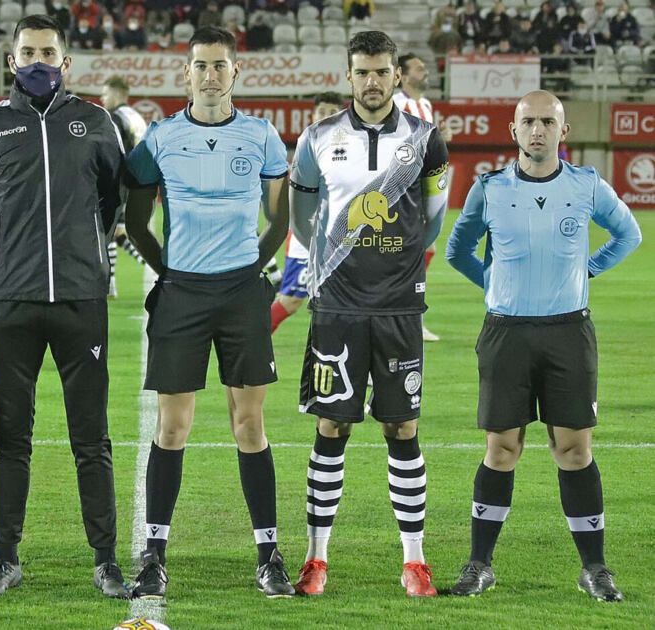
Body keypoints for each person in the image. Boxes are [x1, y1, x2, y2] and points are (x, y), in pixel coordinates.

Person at [445, 90, 641, 602]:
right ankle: (480, 565)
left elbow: (629, 234)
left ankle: (595, 568)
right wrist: (489, 283)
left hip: (567, 334)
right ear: (513, 132)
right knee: (502, 449)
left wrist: (590, 268)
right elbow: (456, 248)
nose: (537, 131)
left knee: (574, 451)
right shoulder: (488, 189)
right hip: (506, 332)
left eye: (546, 122)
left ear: (563, 131)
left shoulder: (586, 185)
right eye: (527, 122)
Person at [0, 14, 127, 599]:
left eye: (47, 52)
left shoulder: (95, 121)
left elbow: (111, 197)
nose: (37, 62)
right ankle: (5, 558)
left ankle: (105, 559)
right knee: (11, 434)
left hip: (81, 298)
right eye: (27, 51)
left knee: (91, 436)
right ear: (10, 60)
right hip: (11, 300)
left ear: (65, 61)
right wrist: (7, 259)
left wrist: (82, 253)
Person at [124, 26, 293, 600]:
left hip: (241, 292)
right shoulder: (161, 138)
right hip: (183, 295)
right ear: (187, 73)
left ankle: (269, 554)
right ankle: (154, 556)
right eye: (201, 65)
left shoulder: (263, 136)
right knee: (173, 428)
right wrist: (167, 271)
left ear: (235, 73)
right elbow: (136, 218)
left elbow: (280, 218)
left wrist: (255, 270)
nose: (211, 74)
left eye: (220, 65)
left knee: (249, 426)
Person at [289, 30, 450, 598]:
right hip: (336, 305)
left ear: (396, 76)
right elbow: (303, 213)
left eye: (382, 71)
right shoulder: (318, 137)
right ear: (349, 75)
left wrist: (396, 263)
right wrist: (338, 262)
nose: (373, 81)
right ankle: (315, 560)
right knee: (331, 426)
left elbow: (432, 218)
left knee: (401, 428)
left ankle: (415, 562)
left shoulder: (426, 140)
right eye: (362, 72)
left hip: (401, 306)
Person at [270, 91, 343, 335]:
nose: (326, 117)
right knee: (291, 299)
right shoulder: (309, 142)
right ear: (313, 114)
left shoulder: (350, 144)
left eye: (332, 113)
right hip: (308, 233)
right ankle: (249, 344)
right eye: (322, 112)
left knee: (343, 301)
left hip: (340, 234)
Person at [394, 52, 451, 343]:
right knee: (414, 254)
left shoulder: (425, 104)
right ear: (402, 75)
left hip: (424, 186)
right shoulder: (397, 104)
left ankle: (413, 316)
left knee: (426, 250)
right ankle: (405, 317)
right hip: (405, 190)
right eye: (418, 68)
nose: (425, 71)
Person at [99, 74, 148, 297]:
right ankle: (113, 284)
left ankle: (110, 285)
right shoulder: (135, 116)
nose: (102, 97)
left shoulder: (116, 118)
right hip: (137, 180)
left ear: (118, 94)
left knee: (110, 232)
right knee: (117, 233)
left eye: (106, 92)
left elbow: (114, 152)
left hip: (120, 182)